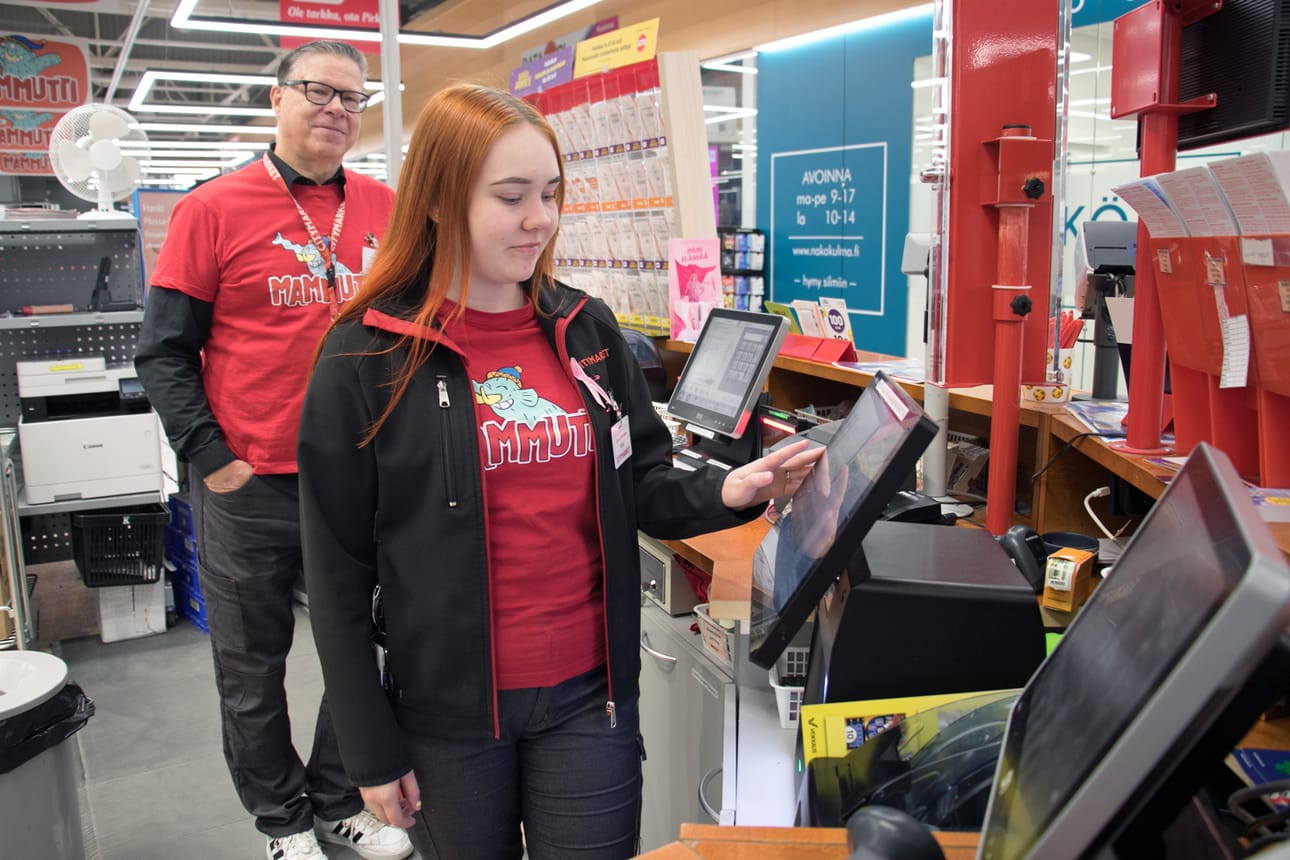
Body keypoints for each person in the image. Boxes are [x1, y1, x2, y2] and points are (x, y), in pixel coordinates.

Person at [296, 83, 824, 860]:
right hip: (448, 715)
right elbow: (335, 572)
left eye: (549, 193)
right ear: (440, 200)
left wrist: (729, 489)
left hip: (591, 699)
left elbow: (638, 478)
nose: (540, 219)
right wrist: (367, 749)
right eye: (511, 197)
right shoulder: (365, 354)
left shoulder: (585, 329)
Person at [134, 40, 412, 860]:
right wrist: (211, 456)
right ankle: (281, 821)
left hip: (358, 483)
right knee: (251, 671)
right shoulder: (213, 208)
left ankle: (340, 799)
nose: (336, 109)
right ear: (277, 99)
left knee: (358, 653)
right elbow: (163, 351)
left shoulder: (386, 208)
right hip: (250, 487)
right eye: (318, 92)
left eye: (352, 99)